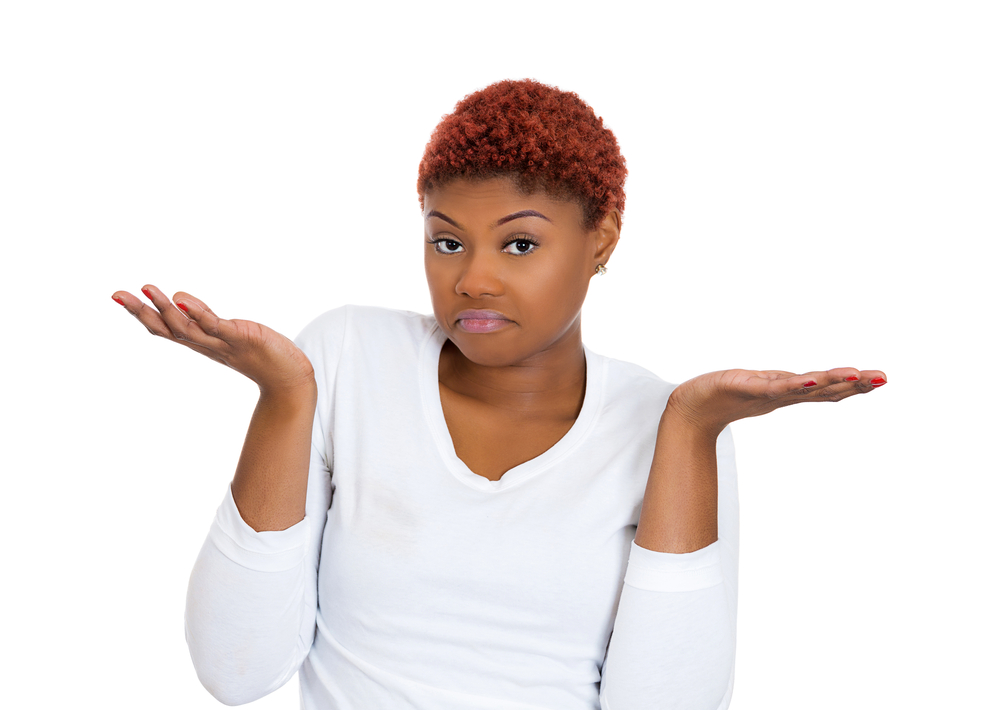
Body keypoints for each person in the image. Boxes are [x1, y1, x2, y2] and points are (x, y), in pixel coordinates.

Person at [112, 79, 886, 709]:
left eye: (520, 243)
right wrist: (284, 396)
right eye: (447, 240)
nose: (472, 278)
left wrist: (689, 429)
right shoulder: (347, 356)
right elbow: (235, 669)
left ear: (602, 240)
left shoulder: (666, 423)